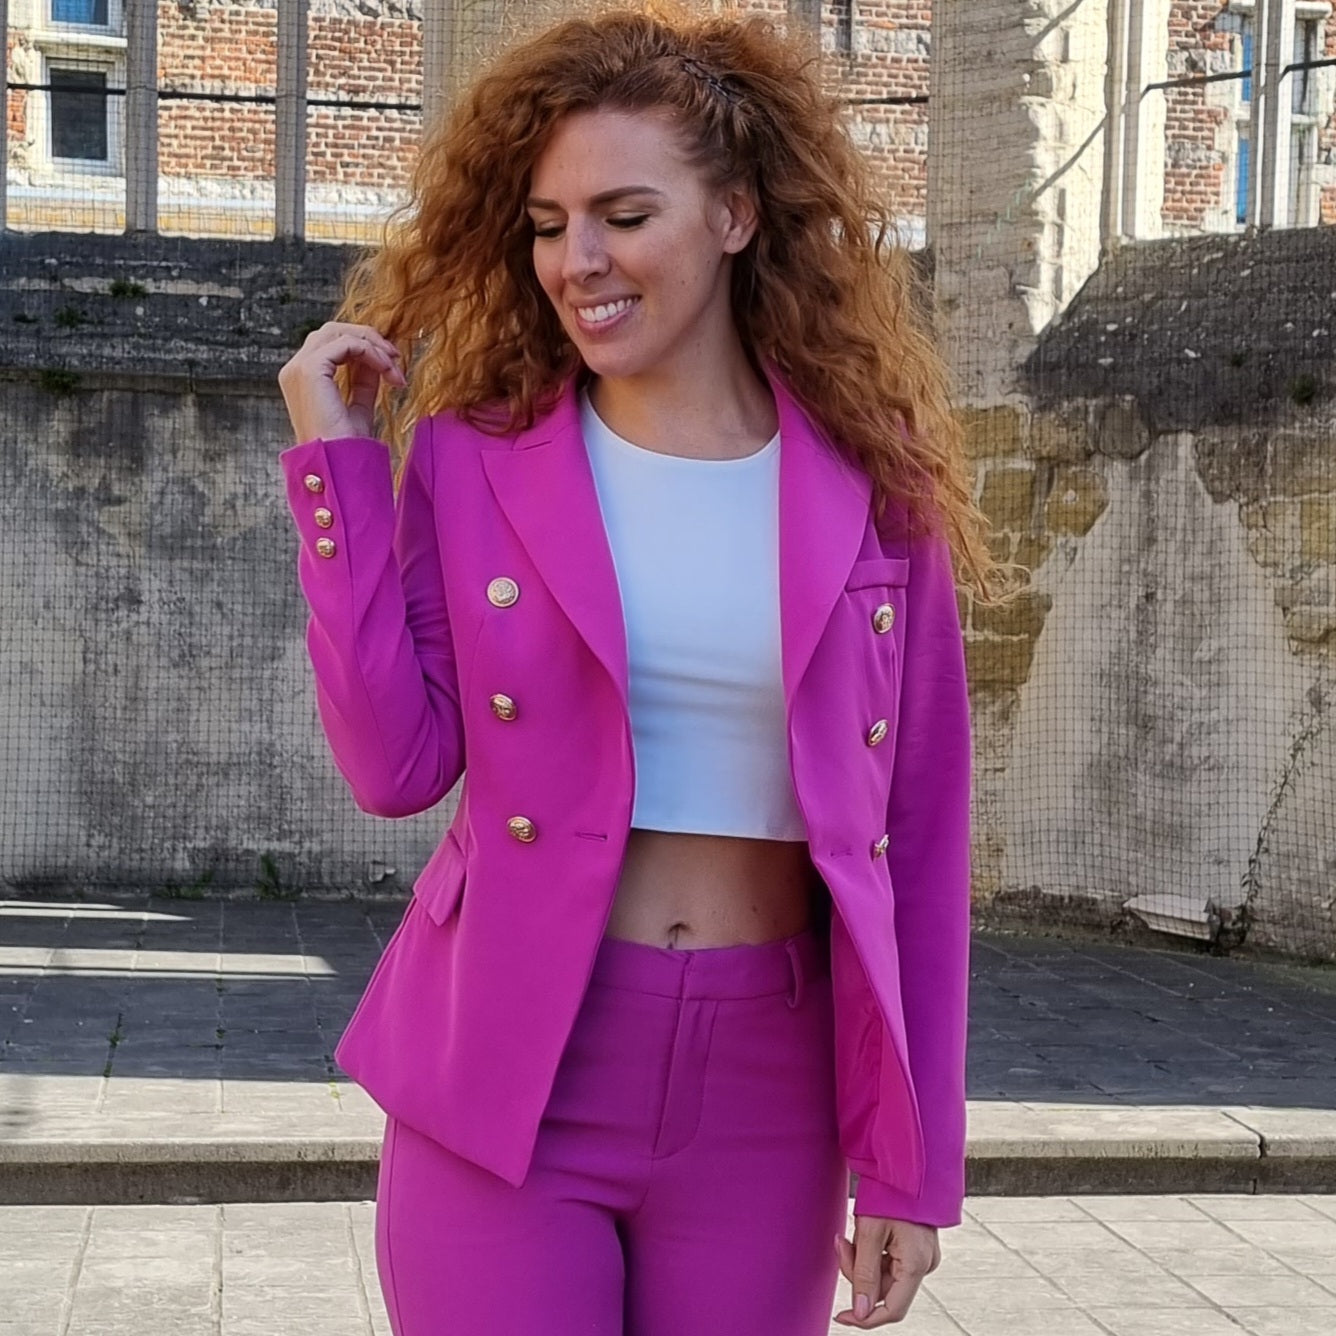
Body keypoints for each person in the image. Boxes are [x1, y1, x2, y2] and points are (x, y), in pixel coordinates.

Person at [277, 4, 1014, 1332]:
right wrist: (338, 475)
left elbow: (919, 833)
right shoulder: (473, 456)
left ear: (734, 213)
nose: (579, 261)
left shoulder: (874, 484)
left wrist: (915, 1167)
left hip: (769, 1090)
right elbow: (395, 766)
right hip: (510, 1066)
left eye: (624, 214)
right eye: (549, 224)